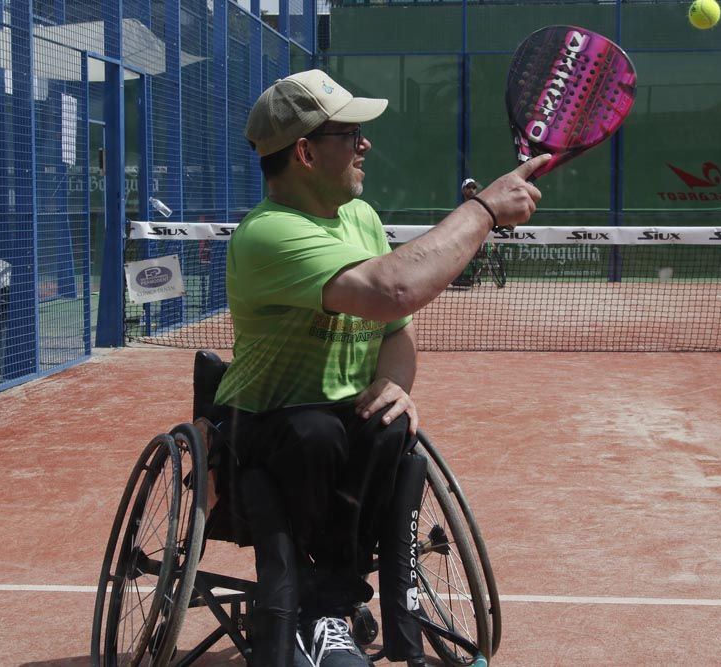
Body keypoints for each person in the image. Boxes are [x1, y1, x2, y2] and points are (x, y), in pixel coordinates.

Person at [214, 69, 547, 667]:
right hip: (263, 429)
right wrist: (483, 211)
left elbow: (397, 326)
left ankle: (373, 614)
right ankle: (317, 612)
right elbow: (392, 289)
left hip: (345, 425)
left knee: (394, 429)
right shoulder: (268, 234)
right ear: (306, 152)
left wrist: (395, 381)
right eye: (351, 133)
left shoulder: (360, 218)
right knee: (313, 431)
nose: (365, 144)